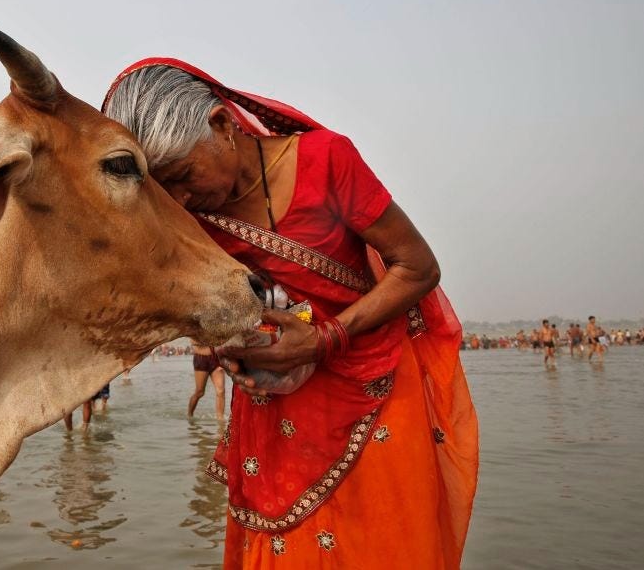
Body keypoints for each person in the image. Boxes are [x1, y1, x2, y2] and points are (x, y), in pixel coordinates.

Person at [103, 59, 478, 569]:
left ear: (220, 125)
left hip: (375, 385)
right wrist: (229, 349)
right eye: (165, 190)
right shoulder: (190, 216)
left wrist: (324, 340)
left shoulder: (327, 162)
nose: (182, 199)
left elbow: (417, 267)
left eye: (184, 176)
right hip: (274, 405)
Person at [190, 338, 227, 420]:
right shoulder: (196, 326)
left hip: (216, 359)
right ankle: (189, 415)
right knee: (199, 392)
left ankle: (220, 421)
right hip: (201, 358)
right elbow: (194, 342)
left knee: (221, 391)